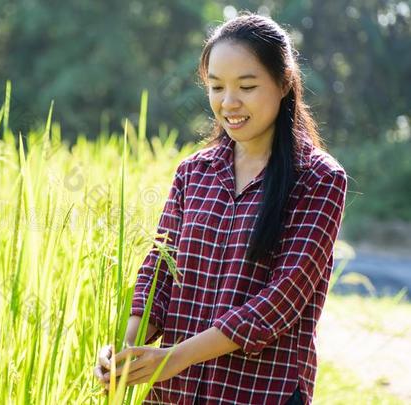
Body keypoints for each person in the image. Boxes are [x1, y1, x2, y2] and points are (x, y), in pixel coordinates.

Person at [93, 12, 348, 405]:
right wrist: (125, 347)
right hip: (173, 393)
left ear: (283, 84)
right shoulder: (193, 172)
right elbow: (158, 271)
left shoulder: (318, 178)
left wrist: (173, 358)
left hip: (260, 393)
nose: (229, 103)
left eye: (246, 86)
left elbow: (281, 300)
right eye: (216, 87)